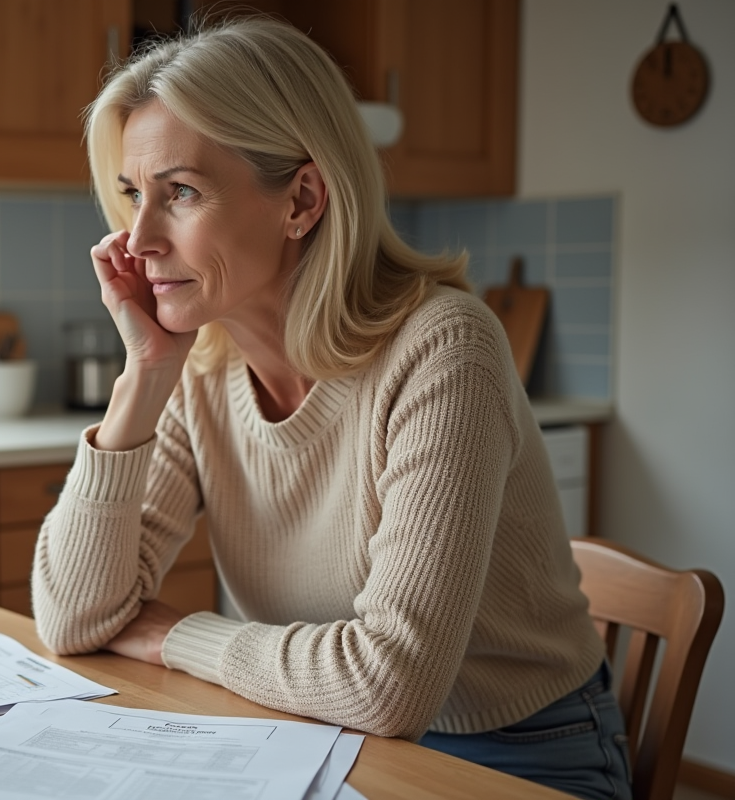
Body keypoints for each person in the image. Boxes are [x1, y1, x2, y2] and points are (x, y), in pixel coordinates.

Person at [31, 16, 630, 800]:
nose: (137, 238)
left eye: (179, 191)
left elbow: (389, 685)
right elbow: (75, 618)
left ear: (302, 200)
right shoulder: (203, 363)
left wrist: (174, 633)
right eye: (129, 194)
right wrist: (144, 374)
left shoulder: (444, 349)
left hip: (516, 753)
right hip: (313, 734)